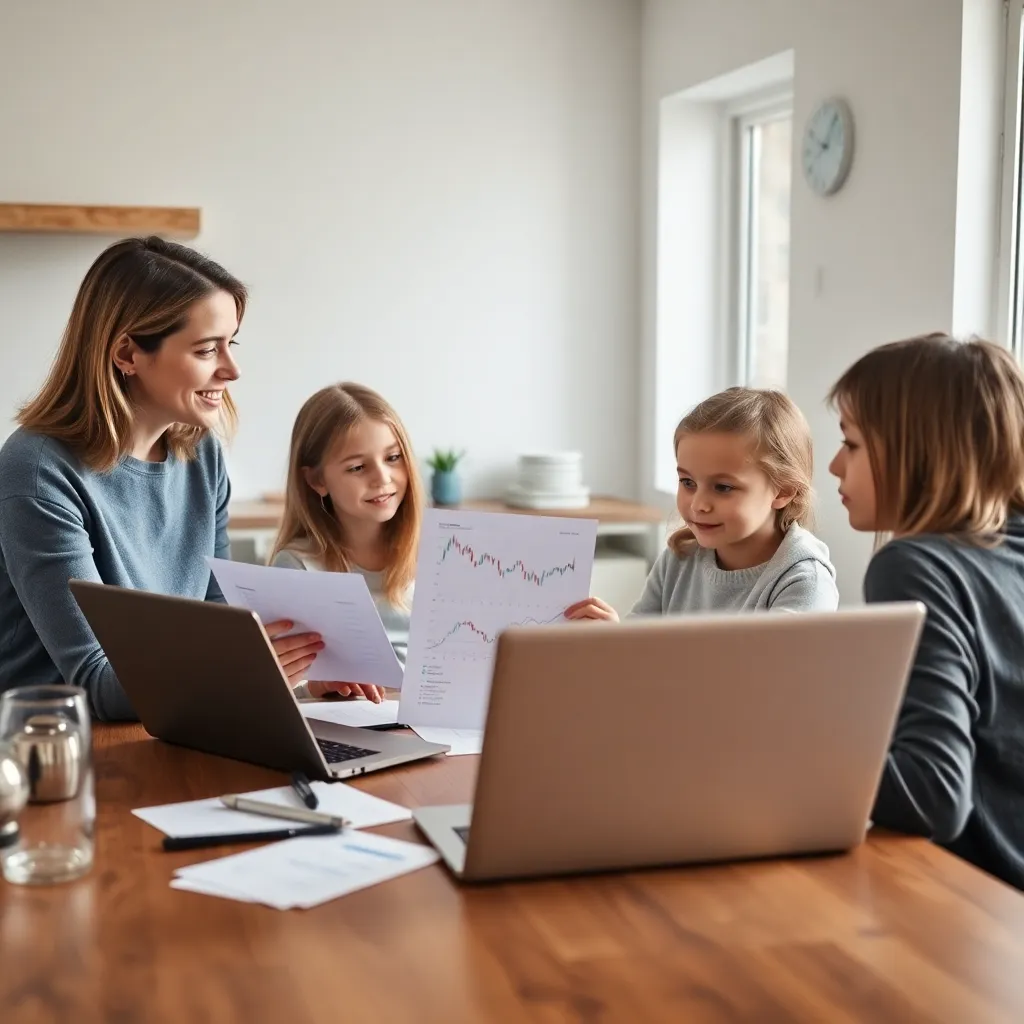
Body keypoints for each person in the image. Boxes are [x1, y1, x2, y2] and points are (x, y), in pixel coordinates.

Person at [0, 236, 319, 720]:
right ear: (127, 353)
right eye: (207, 349)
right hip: (61, 746)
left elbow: (220, 617)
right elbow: (96, 682)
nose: (232, 369)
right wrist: (244, 666)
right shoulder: (38, 470)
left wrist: (310, 671)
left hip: (173, 723)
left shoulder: (202, 453)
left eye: (230, 344)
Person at [829, 334, 1024, 890]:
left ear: (917, 450)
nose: (836, 465)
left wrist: (773, 741)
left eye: (853, 444)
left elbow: (933, 792)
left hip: (984, 912)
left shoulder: (915, 565)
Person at [566, 387, 838, 622]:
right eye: (687, 482)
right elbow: (642, 645)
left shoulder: (804, 581)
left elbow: (766, 678)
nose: (698, 505)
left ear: (784, 491)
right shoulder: (679, 558)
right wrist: (612, 639)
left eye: (723, 487)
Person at [269, 382, 425, 702]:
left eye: (393, 457)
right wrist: (318, 685)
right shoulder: (298, 566)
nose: (382, 477)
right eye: (357, 467)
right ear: (316, 480)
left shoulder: (438, 555)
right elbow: (283, 680)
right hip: (356, 727)